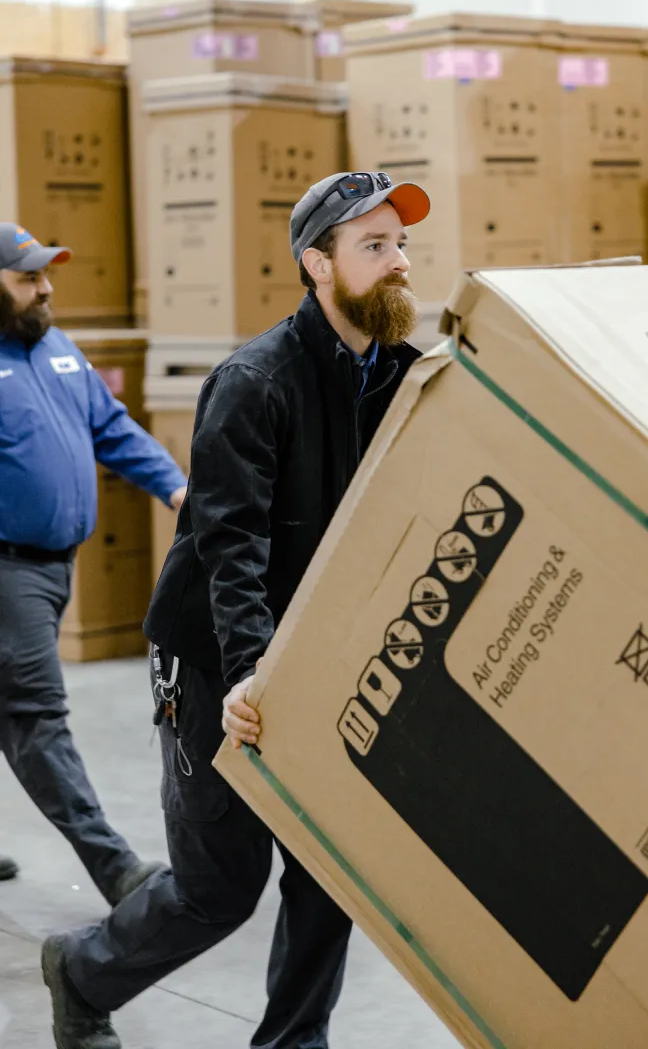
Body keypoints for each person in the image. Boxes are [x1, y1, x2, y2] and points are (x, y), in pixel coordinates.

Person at [42, 171, 430, 1049]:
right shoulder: (255, 382)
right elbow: (231, 543)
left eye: (400, 243)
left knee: (331, 873)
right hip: (218, 655)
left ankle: (293, 1043)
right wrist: (252, 673)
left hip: (318, 652)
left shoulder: (403, 376)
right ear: (317, 264)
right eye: (374, 246)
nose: (399, 263)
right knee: (220, 889)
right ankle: (83, 971)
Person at [0, 223, 187, 901]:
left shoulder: (54, 348)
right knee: (34, 714)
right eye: (27, 277)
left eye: (46, 274)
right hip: (8, 572)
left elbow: (109, 427)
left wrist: (175, 486)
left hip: (54, 566)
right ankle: (115, 868)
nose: (45, 287)